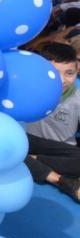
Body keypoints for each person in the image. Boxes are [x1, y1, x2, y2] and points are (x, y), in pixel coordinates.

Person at [24, 42, 80, 204]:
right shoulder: (24, 88)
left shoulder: (78, 96)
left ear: (77, 72)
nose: (62, 80)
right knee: (9, 153)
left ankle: (31, 159)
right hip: (25, 140)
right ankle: (60, 179)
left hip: (59, 150)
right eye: (53, 73)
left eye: (69, 73)